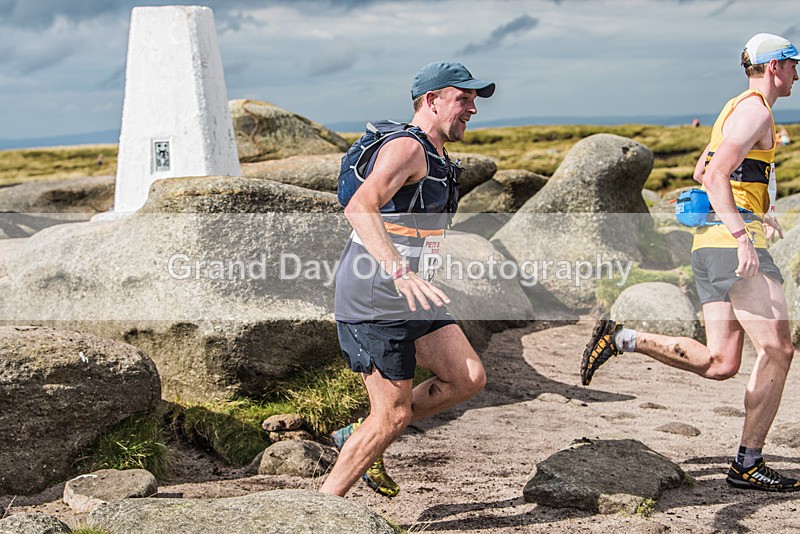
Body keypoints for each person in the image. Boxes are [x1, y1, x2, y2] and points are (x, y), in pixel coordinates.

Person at [581, 33, 799, 492]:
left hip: (710, 247)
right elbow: (717, 174)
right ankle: (747, 463)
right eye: (793, 64)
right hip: (733, 248)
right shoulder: (757, 109)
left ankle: (623, 338)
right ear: (775, 65)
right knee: (778, 349)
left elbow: (704, 170)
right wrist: (743, 235)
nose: (798, 74)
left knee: (721, 361)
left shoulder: (737, 105)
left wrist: (761, 210)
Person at [319, 62, 494, 498]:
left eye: (474, 100)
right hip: (376, 295)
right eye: (463, 99)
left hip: (413, 296)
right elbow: (360, 207)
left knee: (468, 377)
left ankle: (359, 436)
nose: (472, 108)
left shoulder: (435, 153)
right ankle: (320, 511)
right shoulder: (407, 148)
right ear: (431, 100)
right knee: (392, 416)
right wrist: (399, 270)